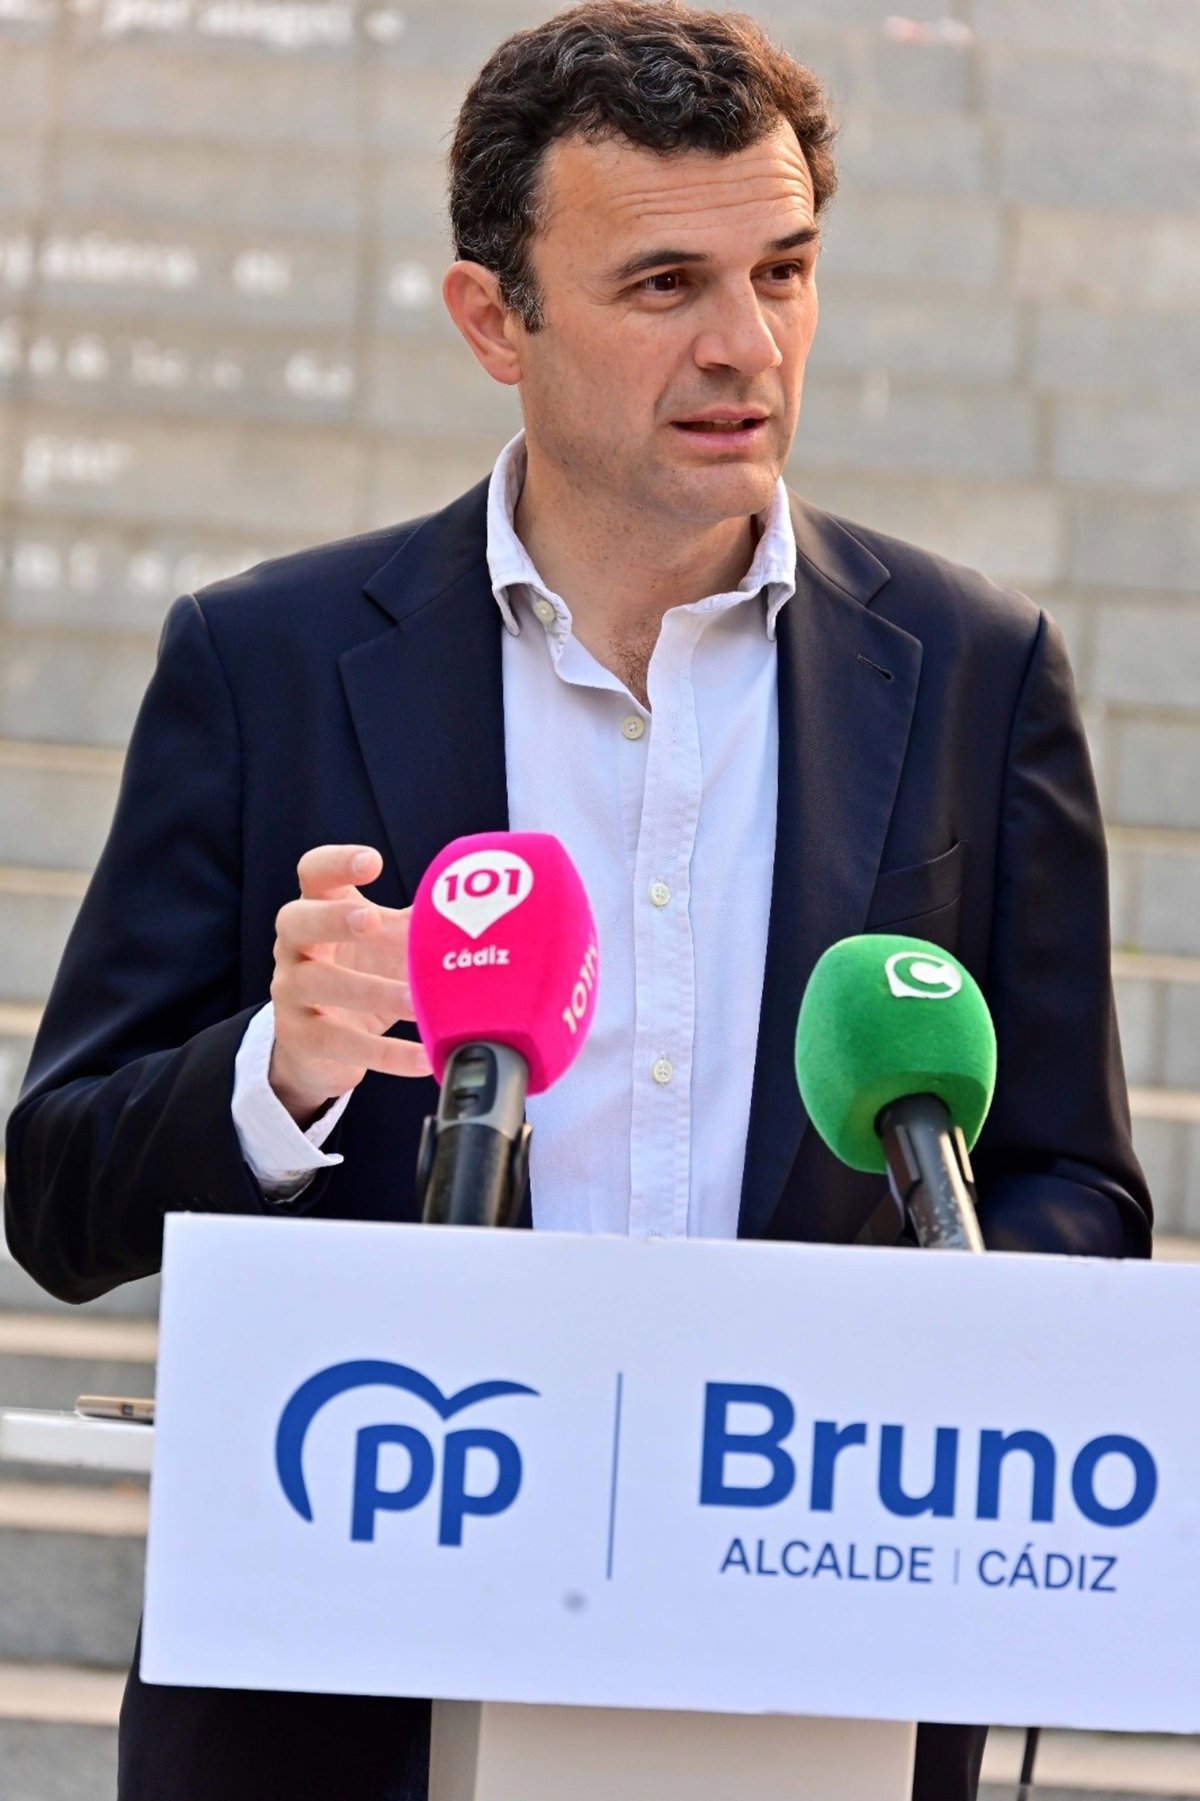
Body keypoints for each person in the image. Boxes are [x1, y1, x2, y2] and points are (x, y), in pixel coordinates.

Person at [4, 4, 1151, 1798]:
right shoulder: (265, 662)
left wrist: (919, 1339)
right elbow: (58, 1194)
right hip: (352, 1701)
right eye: (664, 284)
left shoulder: (977, 673)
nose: (744, 342)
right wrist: (278, 1069)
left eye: (784, 271)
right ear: (494, 319)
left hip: (810, 1682)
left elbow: (1078, 1182)